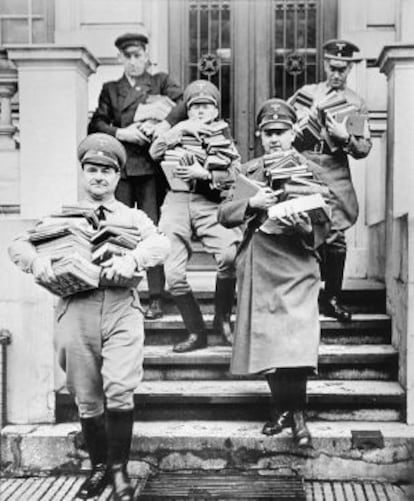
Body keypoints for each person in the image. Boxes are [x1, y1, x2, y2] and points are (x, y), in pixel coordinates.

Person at [8, 133, 170, 500]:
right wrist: (38, 262)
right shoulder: (61, 217)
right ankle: (99, 468)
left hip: (119, 308)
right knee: (86, 396)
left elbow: (160, 243)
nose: (98, 177)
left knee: (120, 387)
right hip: (75, 308)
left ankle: (119, 472)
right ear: (82, 173)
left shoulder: (133, 217)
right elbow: (18, 244)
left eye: (107, 171)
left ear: (118, 177)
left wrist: (131, 259)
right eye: (92, 170)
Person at [218, 99, 330, 447]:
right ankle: (281, 409)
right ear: (259, 135)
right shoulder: (249, 171)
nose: (275, 139)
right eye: (268, 133)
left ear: (294, 132)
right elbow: (225, 213)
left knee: (296, 336)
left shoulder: (312, 169)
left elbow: (331, 220)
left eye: (281, 132)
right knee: (269, 339)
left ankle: (297, 416)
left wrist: (305, 227)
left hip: (297, 261)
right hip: (262, 259)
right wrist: (252, 204)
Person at [88, 31, 183, 320]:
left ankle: (156, 296)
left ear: (146, 56)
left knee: (152, 229)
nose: (133, 62)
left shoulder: (161, 81)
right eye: (127, 57)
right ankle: (121, 292)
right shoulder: (111, 89)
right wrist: (122, 132)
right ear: (120, 58)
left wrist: (165, 124)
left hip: (152, 171)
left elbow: (184, 104)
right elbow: (96, 124)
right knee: (120, 230)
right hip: (124, 171)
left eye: (138, 55)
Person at [150, 80, 242, 353]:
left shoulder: (222, 137)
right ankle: (195, 331)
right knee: (173, 271)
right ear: (188, 111)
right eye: (195, 107)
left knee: (229, 255)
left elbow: (234, 176)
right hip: (177, 198)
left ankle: (222, 321)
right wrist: (177, 129)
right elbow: (154, 153)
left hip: (209, 201)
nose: (200, 112)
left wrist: (205, 174)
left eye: (206, 106)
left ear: (215, 111)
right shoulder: (179, 131)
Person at [289, 39, 372, 322]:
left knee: (336, 235)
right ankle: (304, 295)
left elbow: (362, 149)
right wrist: (309, 119)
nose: (337, 74)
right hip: (306, 163)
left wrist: (345, 136)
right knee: (303, 228)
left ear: (350, 68)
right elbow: (286, 132)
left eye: (343, 69)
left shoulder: (355, 102)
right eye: (333, 68)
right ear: (324, 64)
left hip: (335, 167)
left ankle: (332, 297)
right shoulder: (306, 94)